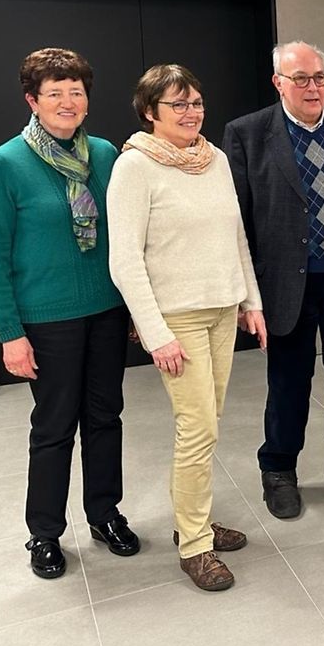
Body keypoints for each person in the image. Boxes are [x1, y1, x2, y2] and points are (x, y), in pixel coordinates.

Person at [0, 47, 137, 580]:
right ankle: (44, 532)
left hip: (106, 311)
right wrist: (10, 333)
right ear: (33, 100)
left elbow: (127, 234)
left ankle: (105, 513)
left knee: (105, 417)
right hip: (47, 321)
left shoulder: (107, 155)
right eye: (54, 93)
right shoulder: (4, 164)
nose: (68, 102)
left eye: (76, 92)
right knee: (53, 427)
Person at [108, 64, 266, 591]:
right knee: (197, 429)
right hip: (178, 318)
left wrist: (250, 300)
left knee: (207, 424)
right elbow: (124, 260)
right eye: (177, 104)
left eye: (195, 102)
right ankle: (195, 545)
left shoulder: (213, 158)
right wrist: (156, 334)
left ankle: (191, 520)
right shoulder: (135, 167)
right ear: (149, 112)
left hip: (222, 308)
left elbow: (236, 235)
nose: (191, 112)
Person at [222, 41, 324, 514]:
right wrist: (247, 296)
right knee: (288, 382)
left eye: (319, 78)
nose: (313, 88)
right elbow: (238, 222)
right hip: (285, 285)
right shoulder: (247, 134)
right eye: (301, 79)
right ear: (278, 83)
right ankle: (278, 469)